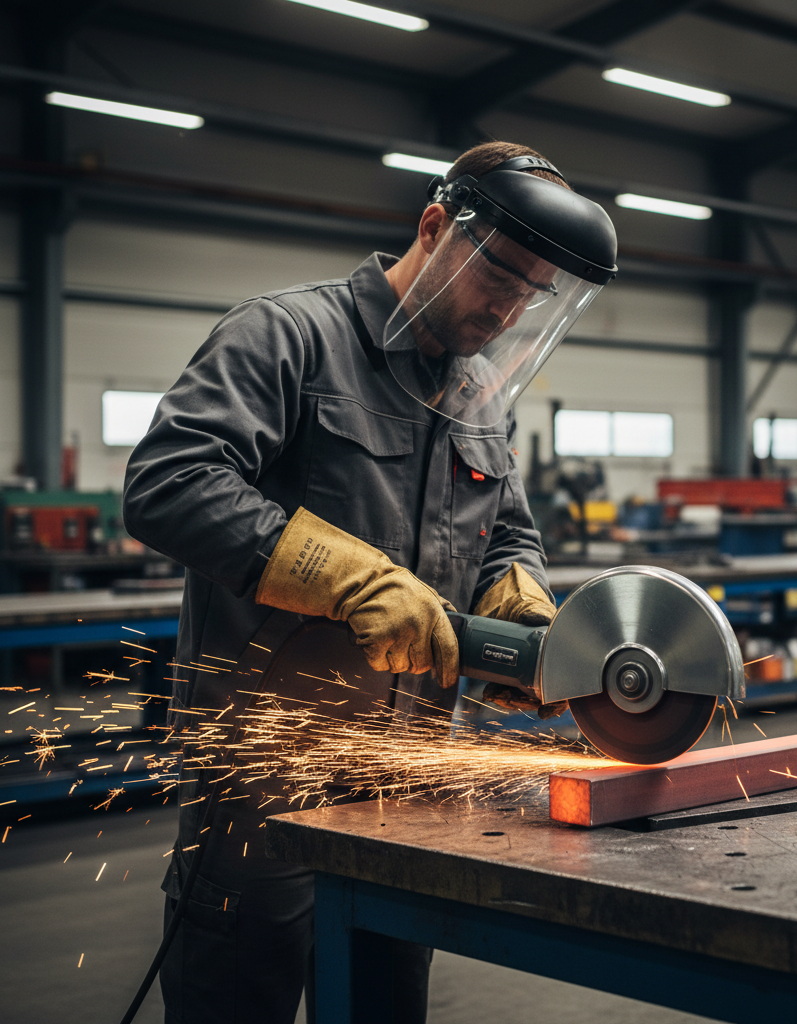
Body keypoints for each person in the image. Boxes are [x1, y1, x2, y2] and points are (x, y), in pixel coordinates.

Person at [122, 140, 617, 1024]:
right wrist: (343, 572)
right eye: (498, 276)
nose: (507, 309)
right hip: (264, 784)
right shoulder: (287, 335)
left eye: (531, 292)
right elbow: (169, 481)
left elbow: (505, 530)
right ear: (435, 227)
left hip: (407, 784)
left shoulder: (476, 394)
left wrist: (521, 598)